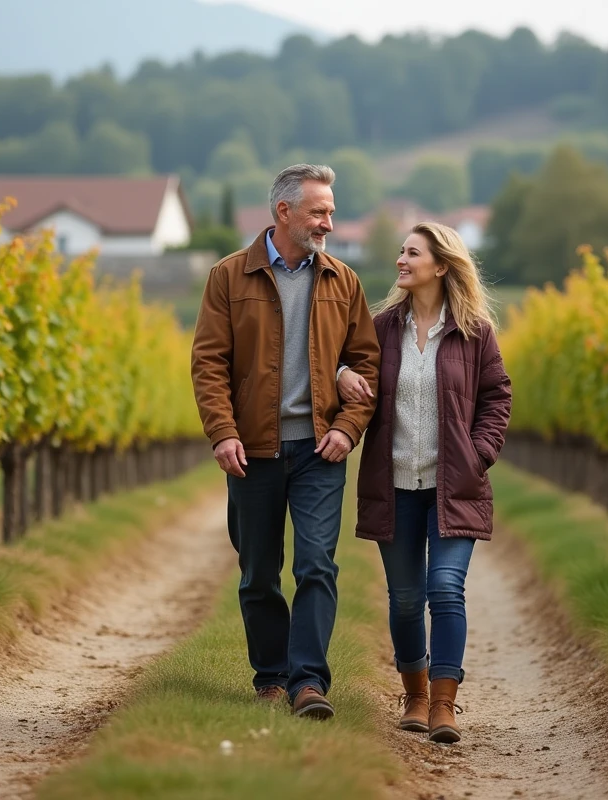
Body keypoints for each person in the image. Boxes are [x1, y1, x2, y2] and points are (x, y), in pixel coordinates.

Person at [190, 164, 381, 720]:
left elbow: (366, 364)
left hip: (321, 449)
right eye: (319, 212)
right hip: (253, 451)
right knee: (258, 573)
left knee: (317, 565)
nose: (329, 222)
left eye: (331, 211)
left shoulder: (343, 281)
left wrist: (348, 427)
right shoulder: (229, 277)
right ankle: (270, 676)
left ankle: (308, 683)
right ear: (284, 212)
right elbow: (208, 364)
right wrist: (223, 433)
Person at [338, 221, 511, 743]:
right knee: (407, 598)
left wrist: (479, 454)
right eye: (401, 251)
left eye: (412, 253)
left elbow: (497, 397)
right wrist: (344, 375)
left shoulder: (475, 332)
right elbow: (349, 372)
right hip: (394, 486)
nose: (401, 260)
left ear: (440, 265)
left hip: (452, 485)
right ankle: (413, 695)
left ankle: (443, 704)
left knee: (446, 589)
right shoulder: (381, 328)